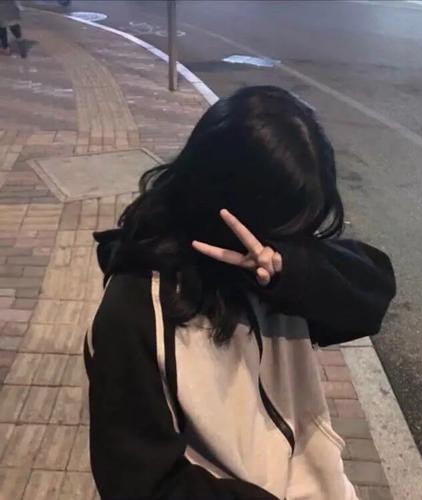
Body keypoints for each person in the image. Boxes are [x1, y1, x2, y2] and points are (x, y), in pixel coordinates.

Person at [85, 86, 396, 499]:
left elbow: (372, 298)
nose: (293, 241)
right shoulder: (134, 311)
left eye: (302, 231)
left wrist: (290, 268)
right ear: (227, 204)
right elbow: (141, 482)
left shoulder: (267, 269)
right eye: (286, 229)